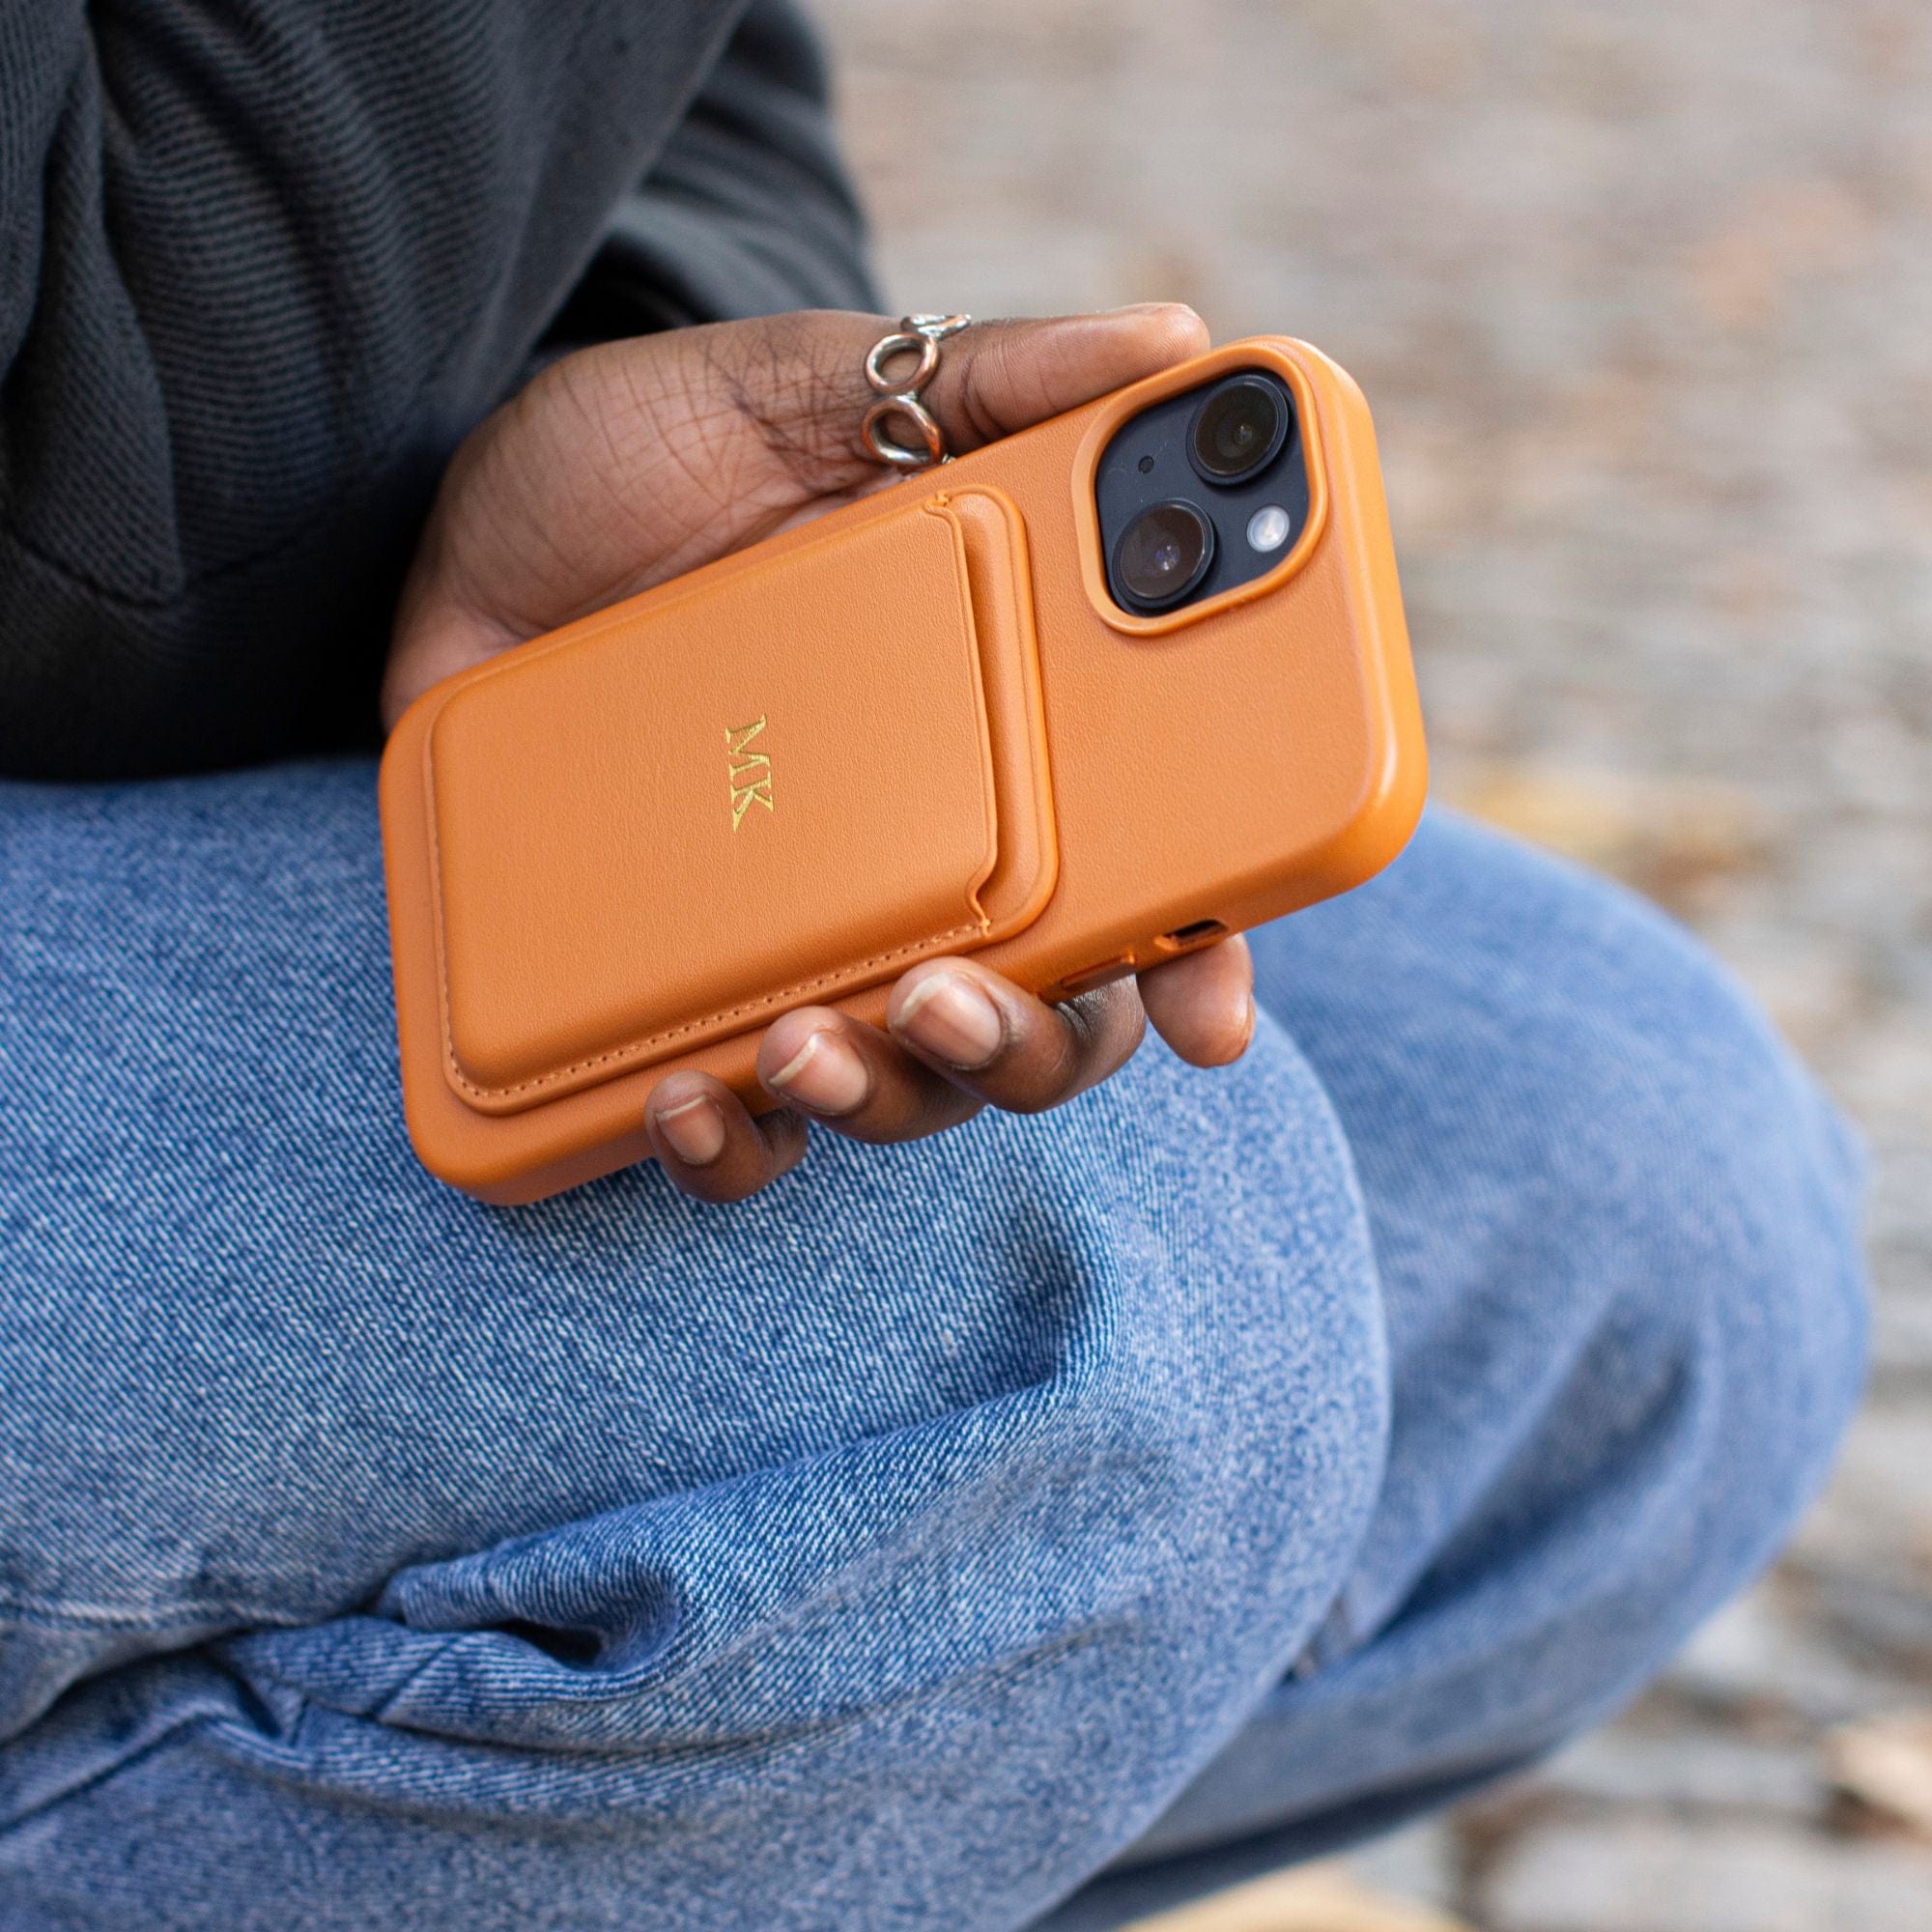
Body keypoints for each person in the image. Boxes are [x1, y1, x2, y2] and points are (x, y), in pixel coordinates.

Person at [0, 4, 1868, 1927]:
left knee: (1644, 1182)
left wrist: (615, 362)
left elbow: (706, 95)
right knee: (1082, 1334)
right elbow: (102, 470)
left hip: (243, 659)